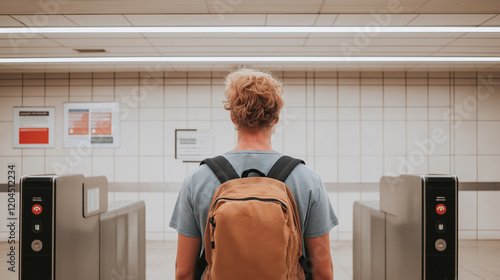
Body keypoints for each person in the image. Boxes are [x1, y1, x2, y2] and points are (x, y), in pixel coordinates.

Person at [169, 68, 338, 280]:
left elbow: (184, 272)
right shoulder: (308, 180)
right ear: (276, 117)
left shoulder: (197, 180)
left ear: (232, 117)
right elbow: (322, 271)